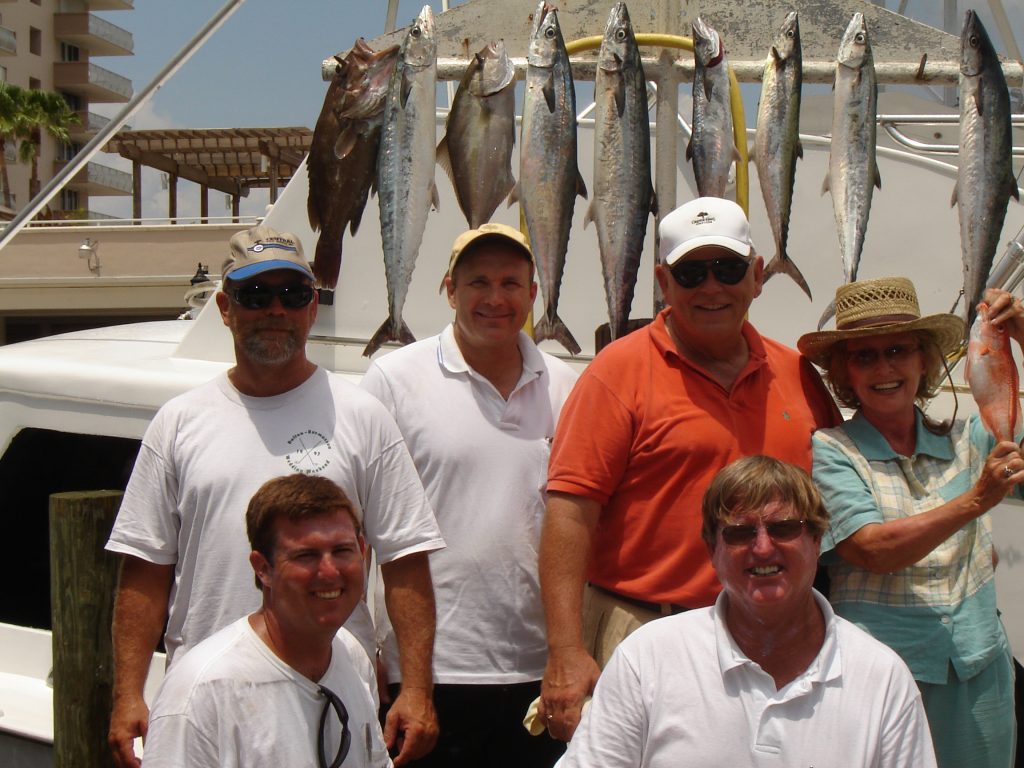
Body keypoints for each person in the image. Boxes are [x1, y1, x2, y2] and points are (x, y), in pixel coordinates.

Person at [105, 225, 444, 768]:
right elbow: (145, 567)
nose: (275, 310)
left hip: (334, 690)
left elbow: (405, 561)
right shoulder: (177, 423)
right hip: (208, 702)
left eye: (293, 295)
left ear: (313, 308)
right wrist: (127, 692)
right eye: (256, 296)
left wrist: (418, 689)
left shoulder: (365, 417)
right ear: (224, 307)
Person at [538, 196, 840, 740]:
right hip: (641, 629)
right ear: (663, 280)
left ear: (755, 274)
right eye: (691, 272)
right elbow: (568, 515)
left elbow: (840, 497)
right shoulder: (616, 373)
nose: (711, 287)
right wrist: (565, 650)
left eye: (727, 269)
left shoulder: (799, 373)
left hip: (776, 636)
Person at [557, 455, 936, 767]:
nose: (763, 548)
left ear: (818, 540)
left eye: (784, 529)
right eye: (739, 533)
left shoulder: (881, 678)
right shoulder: (647, 659)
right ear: (712, 551)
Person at [360, 223, 577, 767]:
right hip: (428, 674)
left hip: (541, 670)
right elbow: (357, 527)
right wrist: (363, 653)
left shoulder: (568, 384)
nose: (495, 298)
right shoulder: (391, 379)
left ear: (534, 294)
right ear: (449, 289)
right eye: (478, 282)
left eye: (511, 283)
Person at [798, 276, 1019, 767]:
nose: (885, 368)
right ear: (844, 375)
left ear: (924, 360)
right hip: (880, 679)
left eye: (898, 350)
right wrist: (975, 501)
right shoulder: (832, 450)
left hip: (979, 670)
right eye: (865, 356)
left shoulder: (974, 435)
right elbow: (873, 549)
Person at [143, 474, 392, 768]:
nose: (329, 571)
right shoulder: (202, 690)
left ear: (363, 552)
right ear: (263, 568)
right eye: (306, 556)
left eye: (342, 551)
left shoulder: (352, 658)